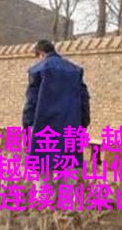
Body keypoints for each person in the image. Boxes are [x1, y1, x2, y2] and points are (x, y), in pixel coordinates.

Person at [22, 39, 91, 190]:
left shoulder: (38, 71)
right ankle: (66, 202)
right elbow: (84, 100)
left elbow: (31, 103)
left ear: (41, 53)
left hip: (44, 128)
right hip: (70, 128)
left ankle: (45, 201)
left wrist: (26, 126)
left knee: (43, 175)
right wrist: (83, 124)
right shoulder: (75, 71)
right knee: (68, 174)